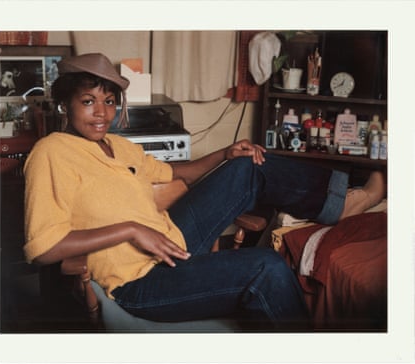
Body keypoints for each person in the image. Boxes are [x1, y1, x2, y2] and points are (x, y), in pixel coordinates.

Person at [23, 53, 385, 330]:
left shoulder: (119, 146)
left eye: (109, 101)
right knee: (267, 267)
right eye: (88, 101)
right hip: (139, 283)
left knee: (247, 165)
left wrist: (226, 153)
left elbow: (177, 171)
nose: (101, 113)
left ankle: (339, 204)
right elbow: (44, 249)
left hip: (173, 242)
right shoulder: (51, 152)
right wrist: (131, 229)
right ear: (64, 104)